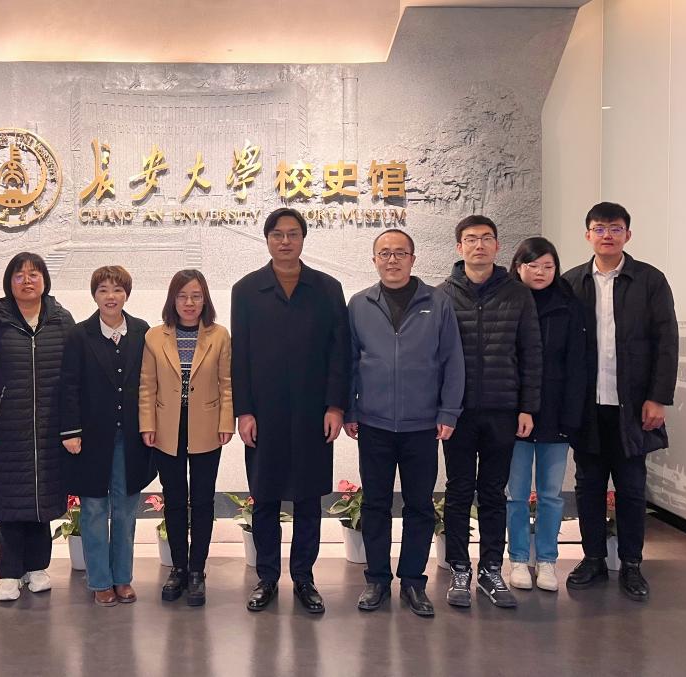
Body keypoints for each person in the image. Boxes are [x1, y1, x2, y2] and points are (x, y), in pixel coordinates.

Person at [231, 207, 350, 614]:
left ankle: (304, 577)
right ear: (267, 239)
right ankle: (266, 578)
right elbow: (241, 356)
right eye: (278, 234)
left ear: (303, 238)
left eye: (293, 233)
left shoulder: (327, 288)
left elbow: (339, 352)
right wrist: (244, 411)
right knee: (264, 497)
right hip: (265, 414)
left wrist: (336, 405)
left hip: (313, 413)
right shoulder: (247, 289)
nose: (285, 241)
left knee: (308, 499)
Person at [345, 229, 464, 617]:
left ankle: (413, 582)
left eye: (400, 253)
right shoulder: (359, 304)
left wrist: (448, 412)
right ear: (374, 260)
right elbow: (349, 362)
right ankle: (377, 580)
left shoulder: (438, 302)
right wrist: (350, 410)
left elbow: (452, 360)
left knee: (419, 506)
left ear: (413, 258)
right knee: (375, 504)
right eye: (384, 253)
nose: (392, 259)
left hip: (422, 425)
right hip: (374, 423)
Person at [563, 202, 678, 601]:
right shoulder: (572, 282)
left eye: (615, 228)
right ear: (588, 235)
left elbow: (667, 341)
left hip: (633, 404)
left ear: (627, 234)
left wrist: (658, 398)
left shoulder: (649, 280)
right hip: (588, 406)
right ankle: (593, 559)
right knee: (588, 485)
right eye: (599, 228)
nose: (607, 235)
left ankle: (631, 564)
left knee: (631, 487)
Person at [437, 215, 542, 609]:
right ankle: (459, 568)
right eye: (470, 239)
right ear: (459, 247)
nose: (478, 245)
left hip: (502, 409)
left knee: (495, 492)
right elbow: (434, 358)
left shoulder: (517, 294)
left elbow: (531, 353)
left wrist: (527, 406)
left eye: (486, 238)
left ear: (497, 246)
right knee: (459, 490)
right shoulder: (442, 295)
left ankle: (491, 569)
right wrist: (440, 409)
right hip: (458, 412)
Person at [0, 253, 75, 602]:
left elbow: (73, 377)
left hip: (50, 425)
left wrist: (72, 425)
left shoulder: (61, 320)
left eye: (34, 274)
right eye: (19, 275)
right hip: (6, 426)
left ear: (45, 280)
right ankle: (9, 573)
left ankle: (38, 567)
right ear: (9, 282)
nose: (27, 281)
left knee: (43, 497)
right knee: (9, 498)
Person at [60, 266, 155, 606]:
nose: (110, 296)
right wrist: (70, 431)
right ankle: (100, 580)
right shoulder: (79, 334)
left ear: (126, 294)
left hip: (131, 439)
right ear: (94, 295)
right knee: (95, 510)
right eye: (103, 290)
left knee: (126, 510)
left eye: (117, 289)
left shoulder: (142, 331)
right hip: (90, 439)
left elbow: (150, 383)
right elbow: (68, 385)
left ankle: (123, 578)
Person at [139, 269, 234, 606]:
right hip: (167, 427)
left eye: (196, 296)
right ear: (173, 300)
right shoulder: (154, 336)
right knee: (175, 498)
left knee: (203, 500)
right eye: (182, 296)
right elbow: (147, 385)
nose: (189, 302)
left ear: (204, 299)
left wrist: (227, 421)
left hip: (207, 426)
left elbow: (227, 383)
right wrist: (146, 424)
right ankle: (178, 567)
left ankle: (197, 570)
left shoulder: (219, 335)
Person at [505, 237, 586, 592]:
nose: (540, 272)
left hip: (555, 413)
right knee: (517, 494)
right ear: (518, 267)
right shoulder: (507, 301)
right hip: (516, 414)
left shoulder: (569, 305)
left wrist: (572, 414)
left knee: (552, 494)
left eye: (548, 266)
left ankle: (548, 560)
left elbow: (578, 363)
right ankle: (519, 558)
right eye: (532, 265)